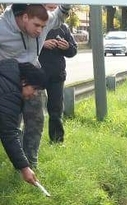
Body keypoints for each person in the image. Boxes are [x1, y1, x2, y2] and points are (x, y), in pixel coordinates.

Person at [0, 3, 71, 168]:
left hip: (33, 75)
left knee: (36, 120)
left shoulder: (43, 19)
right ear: (25, 17)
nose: (40, 30)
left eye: (43, 27)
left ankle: (30, 162)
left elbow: (59, 15)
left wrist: (66, 6)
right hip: (9, 79)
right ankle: (18, 161)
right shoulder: (3, 28)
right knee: (11, 124)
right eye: (36, 25)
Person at [0, 58, 47, 185]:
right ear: (24, 81)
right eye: (35, 89)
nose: (35, 94)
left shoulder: (9, 69)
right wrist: (25, 168)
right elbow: (8, 133)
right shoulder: (10, 94)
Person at [39, 6, 77, 143]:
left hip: (56, 74)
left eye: (55, 7)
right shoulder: (36, 23)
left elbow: (73, 50)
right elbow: (26, 46)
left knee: (56, 109)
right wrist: (42, 44)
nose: (53, 10)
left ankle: (56, 140)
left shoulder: (63, 27)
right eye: (50, 7)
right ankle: (28, 141)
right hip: (36, 73)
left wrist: (67, 47)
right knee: (32, 110)